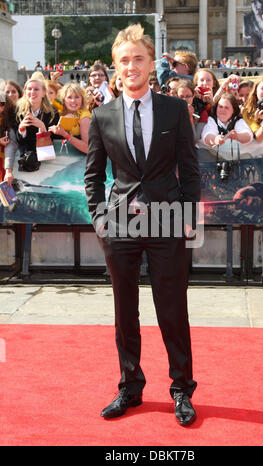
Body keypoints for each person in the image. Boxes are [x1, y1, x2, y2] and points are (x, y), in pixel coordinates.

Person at [84, 23, 200, 427]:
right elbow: (93, 175)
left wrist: (187, 216)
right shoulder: (101, 116)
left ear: (152, 63)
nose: (130, 66)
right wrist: (99, 218)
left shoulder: (173, 110)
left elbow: (190, 167)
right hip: (119, 227)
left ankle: (182, 389)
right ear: (115, 66)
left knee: (172, 309)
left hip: (168, 223)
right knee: (124, 311)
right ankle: (130, 387)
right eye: (123, 60)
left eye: (138, 58)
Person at [15, 78, 59, 172]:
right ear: (25, 92)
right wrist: (21, 129)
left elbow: (55, 138)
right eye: (29, 89)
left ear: (43, 93)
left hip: (47, 164)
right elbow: (17, 140)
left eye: (36, 89)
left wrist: (42, 128)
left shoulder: (53, 112)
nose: (32, 92)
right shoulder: (17, 110)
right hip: (23, 160)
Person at [49, 82, 91, 154]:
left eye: (77, 97)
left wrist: (65, 134)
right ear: (63, 100)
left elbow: (88, 149)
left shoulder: (84, 117)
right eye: (69, 97)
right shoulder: (57, 113)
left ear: (82, 99)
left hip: (77, 160)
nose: (73, 101)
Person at [176, 78, 208, 146]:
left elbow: (194, 139)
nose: (184, 100)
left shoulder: (201, 110)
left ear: (193, 95)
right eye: (181, 97)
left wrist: (190, 118)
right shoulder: (172, 109)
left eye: (188, 96)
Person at [0, 91, 17, 184]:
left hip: (4, 164)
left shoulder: (10, 123)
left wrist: (8, 171)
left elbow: (12, 143)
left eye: (2, 104)